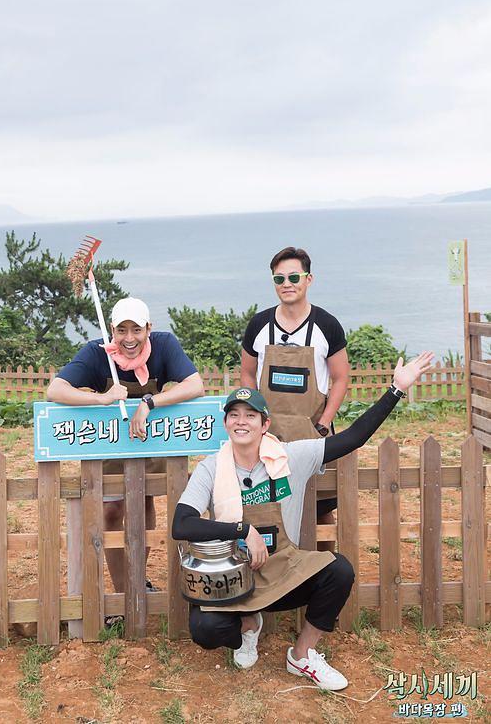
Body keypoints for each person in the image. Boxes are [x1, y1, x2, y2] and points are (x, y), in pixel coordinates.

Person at [172, 352, 433, 688]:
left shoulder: (291, 456)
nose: (241, 421)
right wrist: (243, 530)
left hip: (283, 569)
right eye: (233, 415)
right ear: (226, 423)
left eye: (250, 415)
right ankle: (248, 625)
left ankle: (302, 654)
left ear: (265, 424)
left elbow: (353, 437)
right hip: (233, 578)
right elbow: (182, 524)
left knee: (339, 571)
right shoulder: (212, 468)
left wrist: (396, 389)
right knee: (205, 630)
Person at [47, 296, 205, 606]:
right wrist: (101, 399)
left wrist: (149, 402)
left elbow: (195, 385)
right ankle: (122, 593)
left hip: (149, 439)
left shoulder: (164, 345)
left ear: (149, 328)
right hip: (111, 441)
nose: (129, 339)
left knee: (143, 502)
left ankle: (137, 579)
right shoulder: (96, 352)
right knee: (111, 510)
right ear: (111, 330)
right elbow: (55, 390)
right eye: (122, 330)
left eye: (136, 330)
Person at [241, 246, 350, 550]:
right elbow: (247, 373)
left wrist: (323, 424)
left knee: (321, 508)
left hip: (312, 433)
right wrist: (253, 418)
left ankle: (324, 566)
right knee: (267, 505)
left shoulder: (327, 325)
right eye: (279, 279)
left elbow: (341, 378)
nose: (286, 284)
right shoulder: (259, 325)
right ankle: (275, 567)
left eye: (293, 277)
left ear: (308, 279)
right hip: (268, 435)